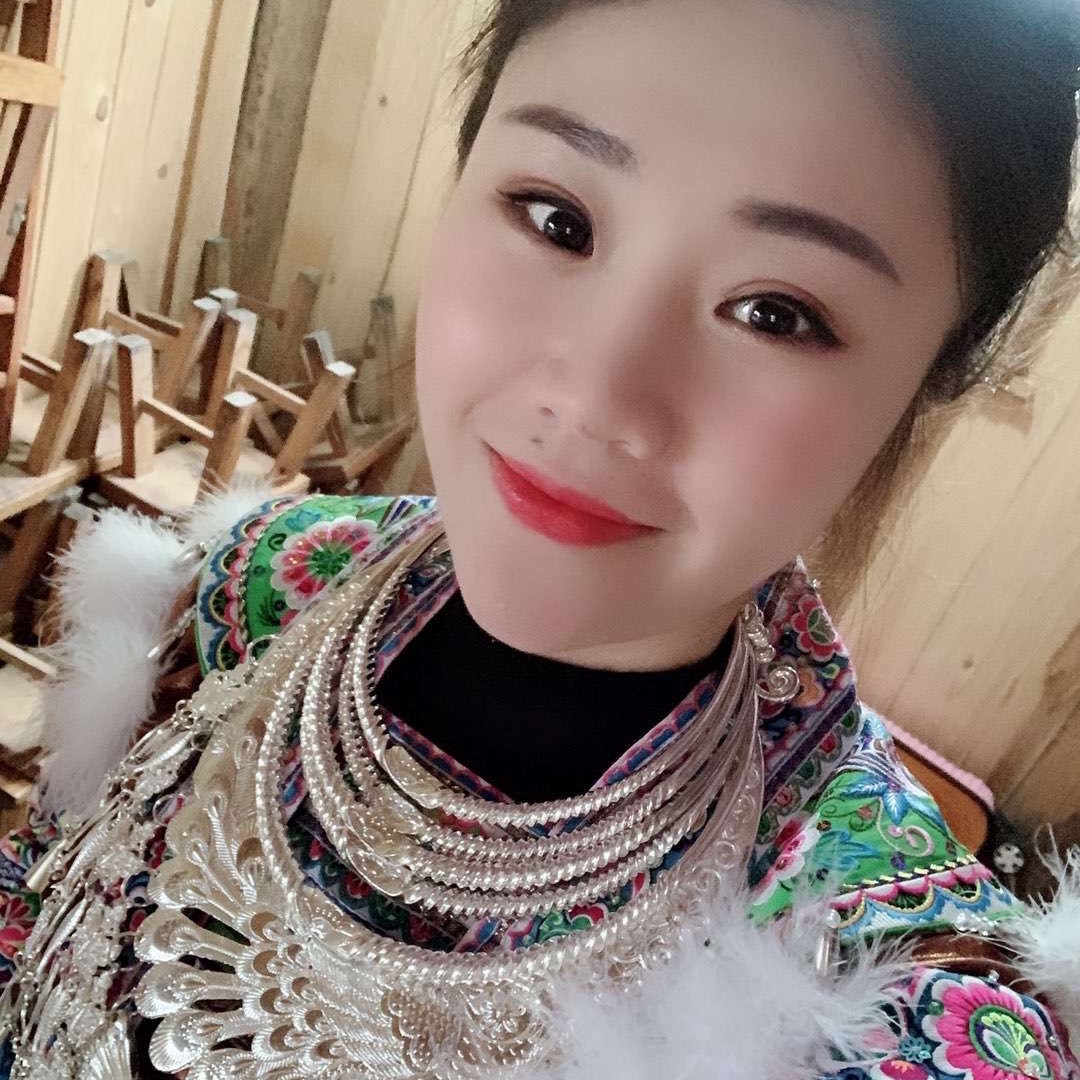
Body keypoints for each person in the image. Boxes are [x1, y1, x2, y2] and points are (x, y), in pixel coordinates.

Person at [0, 0, 1078, 1076]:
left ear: (933, 378)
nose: (598, 399)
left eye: (776, 312)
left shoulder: (889, 1010)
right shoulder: (264, 581)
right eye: (558, 219)